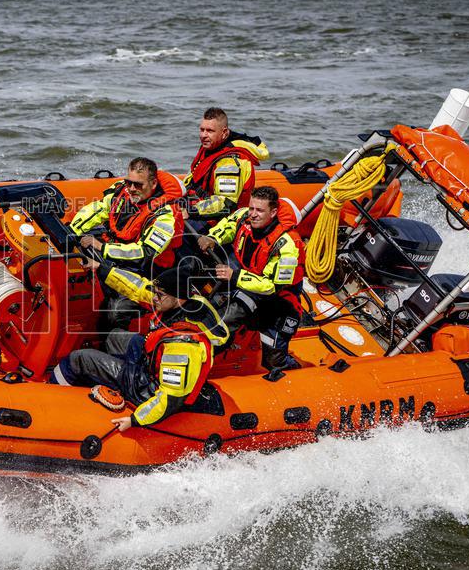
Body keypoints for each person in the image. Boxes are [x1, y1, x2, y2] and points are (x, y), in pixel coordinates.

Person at [51, 267, 228, 431]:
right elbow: (138, 287)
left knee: (79, 358)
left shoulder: (183, 344)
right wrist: (102, 268)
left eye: (159, 295)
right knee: (114, 336)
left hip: (148, 389)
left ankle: (50, 396)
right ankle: (100, 376)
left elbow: (171, 398)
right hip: (152, 362)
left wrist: (135, 420)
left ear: (178, 299)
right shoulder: (186, 300)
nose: (154, 298)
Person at [197, 185, 304, 374]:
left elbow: (271, 286)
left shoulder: (287, 245)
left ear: (273, 212)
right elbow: (229, 225)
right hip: (245, 279)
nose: (253, 214)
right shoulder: (244, 215)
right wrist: (212, 238)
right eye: (252, 208)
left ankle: (294, 373)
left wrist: (235, 276)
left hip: (277, 302)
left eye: (259, 210)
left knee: (274, 360)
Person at [68, 157, 184, 328]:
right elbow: (97, 210)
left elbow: (145, 253)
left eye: (138, 185)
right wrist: (71, 233)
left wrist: (103, 247)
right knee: (76, 252)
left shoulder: (165, 215)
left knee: (115, 311)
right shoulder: (121, 192)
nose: (131, 189)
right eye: (129, 182)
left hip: (145, 272)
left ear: (152, 184)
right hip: (115, 256)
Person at [184, 107, 270, 224]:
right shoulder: (209, 149)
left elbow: (224, 203)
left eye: (209, 131)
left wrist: (190, 211)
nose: (203, 135)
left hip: (223, 222)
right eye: (202, 130)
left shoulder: (230, 162)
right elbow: (193, 179)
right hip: (202, 211)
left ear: (224, 133)